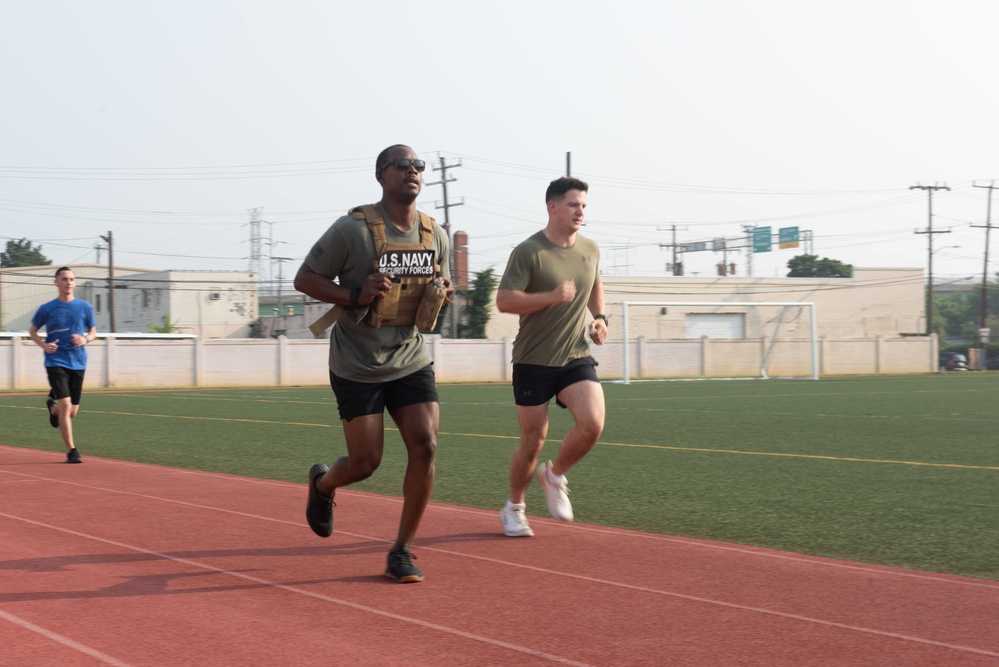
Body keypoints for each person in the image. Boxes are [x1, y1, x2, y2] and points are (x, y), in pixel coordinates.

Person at [295, 144, 453, 583]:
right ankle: (323, 485)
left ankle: (401, 551)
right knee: (366, 463)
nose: (413, 171)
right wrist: (354, 294)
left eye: (418, 166)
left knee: (426, 445)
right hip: (357, 363)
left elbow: (441, 279)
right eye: (402, 165)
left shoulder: (433, 234)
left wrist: (442, 287)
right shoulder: (353, 230)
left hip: (409, 355)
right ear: (382, 176)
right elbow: (304, 278)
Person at [495, 177, 608, 537]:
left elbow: (594, 282)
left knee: (592, 423)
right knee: (533, 441)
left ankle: (555, 475)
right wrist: (551, 296)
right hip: (532, 360)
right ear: (553, 207)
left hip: (574, 355)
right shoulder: (529, 252)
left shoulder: (590, 249)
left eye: (584, 206)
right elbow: (504, 301)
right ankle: (514, 508)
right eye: (574, 205)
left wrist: (600, 319)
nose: (580, 211)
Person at [28, 267, 97, 464]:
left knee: (72, 411)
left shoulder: (85, 307)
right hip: (55, 361)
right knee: (67, 405)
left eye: (72, 279)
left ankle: (53, 407)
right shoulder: (47, 308)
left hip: (78, 362)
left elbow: (93, 332)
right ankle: (72, 451)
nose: (68, 282)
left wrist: (85, 339)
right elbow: (32, 331)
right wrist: (43, 344)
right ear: (56, 282)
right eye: (64, 279)